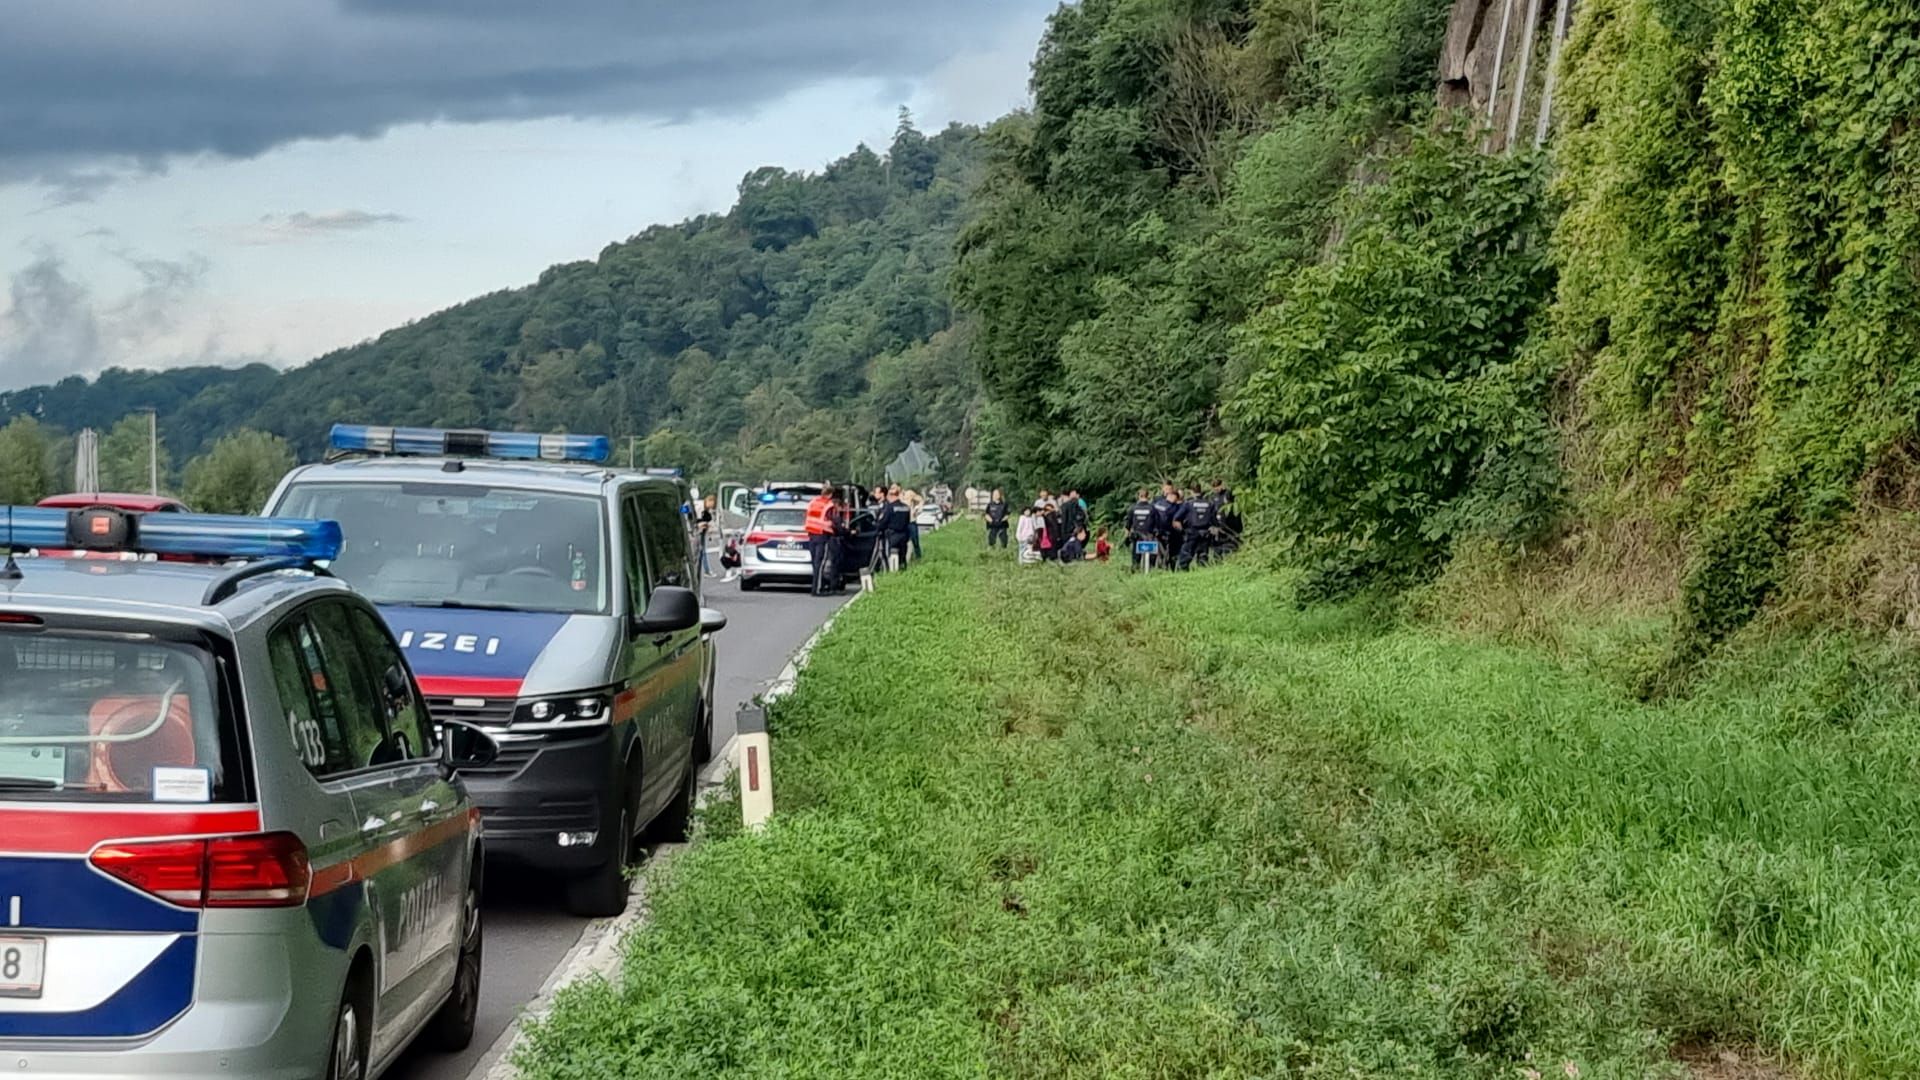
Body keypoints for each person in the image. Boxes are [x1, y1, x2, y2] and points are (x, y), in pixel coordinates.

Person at [1180, 484, 1217, 570]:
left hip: (1192, 532)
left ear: (1191, 492)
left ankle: (1183, 572)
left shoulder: (1188, 503)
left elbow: (1178, 517)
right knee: (1203, 555)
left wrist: (1182, 530)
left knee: (1186, 553)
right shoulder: (1209, 503)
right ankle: (1202, 572)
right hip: (1205, 533)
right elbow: (1214, 519)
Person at [1125, 488, 1159, 570]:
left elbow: (1128, 525)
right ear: (1148, 496)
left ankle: (1135, 569)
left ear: (1138, 496)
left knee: (1136, 556)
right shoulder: (1152, 508)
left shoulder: (1133, 508)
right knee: (1150, 555)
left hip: (1136, 535)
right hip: (1149, 535)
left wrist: (1126, 537)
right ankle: (1150, 570)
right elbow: (1157, 523)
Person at [884, 485, 912, 568]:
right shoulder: (906, 507)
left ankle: (894, 571)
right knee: (902, 556)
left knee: (893, 555)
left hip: (893, 535)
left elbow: (884, 521)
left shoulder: (890, 507)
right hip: (904, 534)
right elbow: (908, 521)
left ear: (891, 495)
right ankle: (903, 570)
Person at [696, 494, 716, 577]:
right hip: (697, 531)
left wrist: (709, 527)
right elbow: (694, 520)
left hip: (702, 531)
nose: (711, 507)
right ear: (708, 501)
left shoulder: (707, 510)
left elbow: (710, 520)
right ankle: (706, 571)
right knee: (701, 552)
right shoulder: (699, 507)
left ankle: (702, 571)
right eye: (711, 504)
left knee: (701, 552)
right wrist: (700, 524)